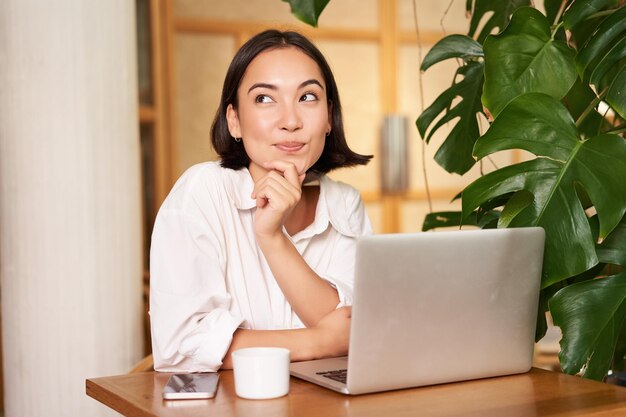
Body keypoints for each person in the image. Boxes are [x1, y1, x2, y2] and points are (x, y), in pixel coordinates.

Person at [149, 29, 373, 372]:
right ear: (234, 120)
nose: (290, 122)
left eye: (308, 97)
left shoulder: (344, 204)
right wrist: (318, 342)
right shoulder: (202, 192)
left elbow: (353, 328)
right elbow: (181, 346)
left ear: (329, 117)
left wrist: (272, 239)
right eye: (265, 99)